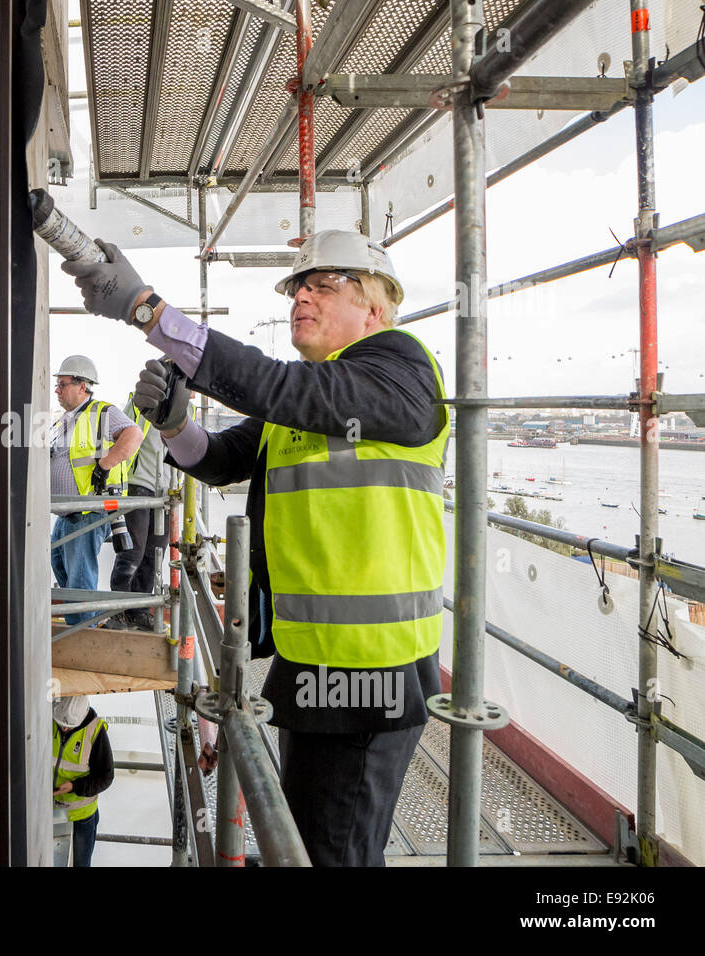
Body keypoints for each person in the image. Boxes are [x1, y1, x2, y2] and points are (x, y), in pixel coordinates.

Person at [63, 229, 449, 867]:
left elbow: (278, 387)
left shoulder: (401, 372)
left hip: (374, 673)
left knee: (335, 853)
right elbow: (214, 461)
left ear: (375, 307)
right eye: (297, 286)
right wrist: (175, 424)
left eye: (323, 284)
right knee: (300, 840)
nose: (301, 296)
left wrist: (147, 311)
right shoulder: (311, 398)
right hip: (310, 661)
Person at [49, 355, 142, 626]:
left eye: (62, 384)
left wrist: (105, 464)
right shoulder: (66, 420)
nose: (57, 390)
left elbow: (133, 434)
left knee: (79, 575)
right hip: (68, 511)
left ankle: (82, 632)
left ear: (82, 385)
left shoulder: (101, 412)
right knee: (60, 564)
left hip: (89, 509)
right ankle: (82, 621)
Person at [106, 389, 192, 630]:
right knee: (132, 551)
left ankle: (139, 610)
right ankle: (118, 611)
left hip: (166, 491)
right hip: (138, 484)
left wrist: (182, 485)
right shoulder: (139, 402)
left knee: (154, 554)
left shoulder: (189, 410)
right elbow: (118, 436)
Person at [52, 694, 113, 866]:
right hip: (54, 809)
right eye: (61, 724)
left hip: (82, 812)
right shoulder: (51, 719)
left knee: (82, 861)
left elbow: (106, 776)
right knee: (51, 856)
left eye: (69, 726)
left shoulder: (95, 732)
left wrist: (74, 786)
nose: (64, 729)